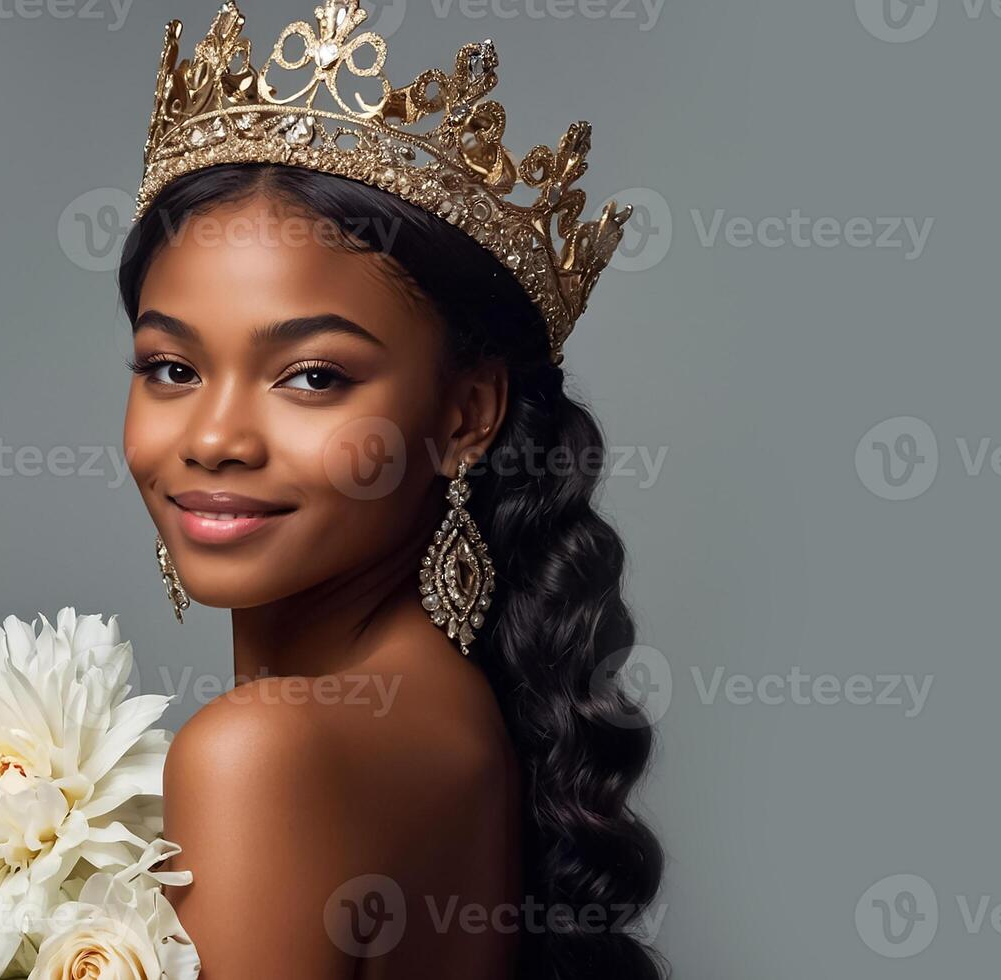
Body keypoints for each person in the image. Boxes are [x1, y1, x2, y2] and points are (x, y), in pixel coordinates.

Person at [118, 2, 663, 976]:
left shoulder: (264, 753)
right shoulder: (453, 718)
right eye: (170, 367)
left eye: (312, 376)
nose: (211, 437)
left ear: (463, 417)